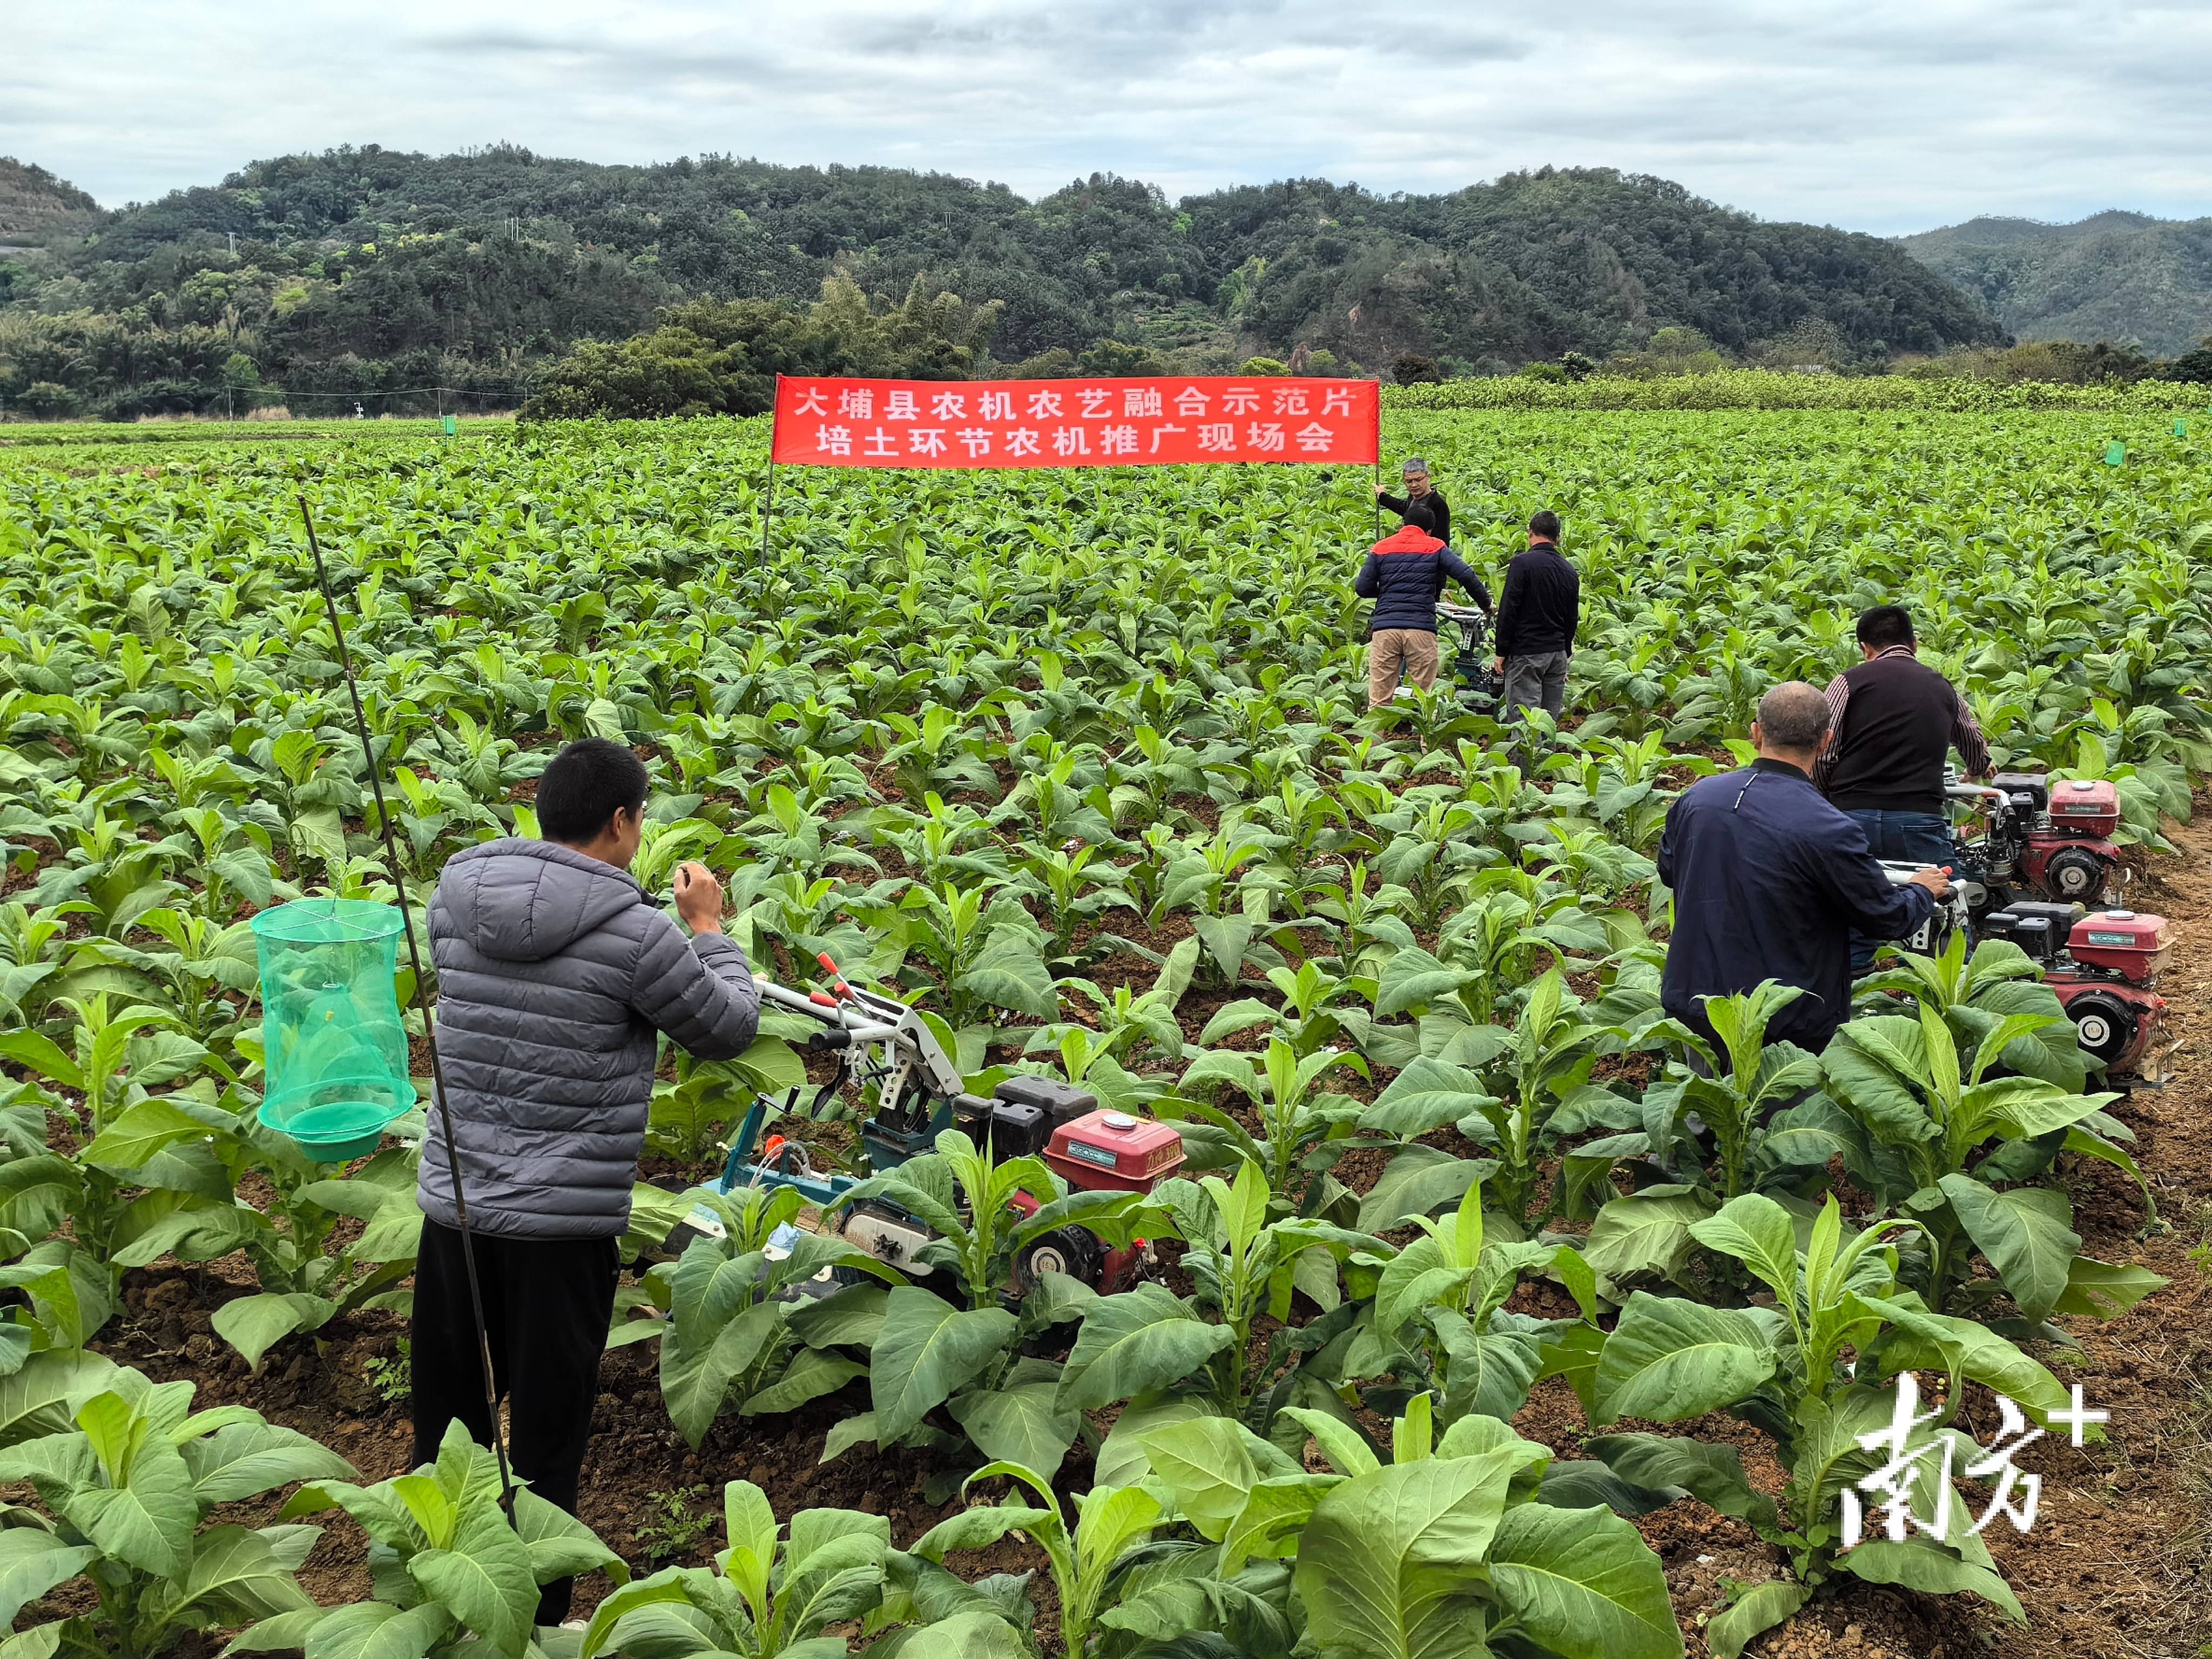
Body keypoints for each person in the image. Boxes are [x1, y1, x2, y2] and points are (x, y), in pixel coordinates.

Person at [412, 737, 759, 1627]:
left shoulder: (457, 897)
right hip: (561, 1229)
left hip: (453, 1205)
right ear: (620, 821)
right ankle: (533, 1620)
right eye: (640, 819)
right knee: (547, 1435)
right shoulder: (638, 933)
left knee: (447, 1418)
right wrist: (711, 930)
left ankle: (440, 1594)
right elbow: (725, 1028)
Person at [1657, 682, 1950, 1055]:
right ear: (1826, 742)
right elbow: (1885, 918)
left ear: (1756, 733)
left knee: (1709, 1104)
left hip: (1698, 1004)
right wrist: (1922, 890)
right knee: (1782, 1111)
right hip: (1785, 1021)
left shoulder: (1698, 799)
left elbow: (1670, 869)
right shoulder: (1829, 827)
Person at [1812, 605, 1990, 969]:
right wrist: (1978, 768)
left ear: (1865, 648)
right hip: (1917, 819)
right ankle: (1943, 995)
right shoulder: (1941, 686)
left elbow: (1823, 751)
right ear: (1915, 643)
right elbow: (1971, 739)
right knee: (1944, 901)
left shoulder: (1848, 682)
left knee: (1852, 908)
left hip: (1852, 818)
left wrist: (1831, 799)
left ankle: (1855, 995)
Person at [1353, 498, 1492, 712]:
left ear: (1403, 525)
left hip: (1386, 629)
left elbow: (1362, 587)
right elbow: (1465, 574)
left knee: (1380, 698)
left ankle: (1374, 743)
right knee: (1425, 696)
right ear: (1429, 530)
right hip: (1420, 628)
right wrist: (1486, 605)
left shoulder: (1381, 547)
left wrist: (1388, 590)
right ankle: (1426, 744)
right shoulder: (1434, 546)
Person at [1492, 509, 1580, 721]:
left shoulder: (1523, 563)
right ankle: (1546, 755)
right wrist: (1564, 652)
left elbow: (1509, 608)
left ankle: (1527, 756)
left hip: (1527, 653)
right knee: (1548, 720)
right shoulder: (1569, 571)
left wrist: (1501, 650)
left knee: (1525, 720)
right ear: (1558, 538)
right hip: (1557, 654)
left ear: (1530, 533)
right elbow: (1572, 619)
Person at [1374, 456, 1450, 545]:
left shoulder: (1438, 505)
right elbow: (1403, 508)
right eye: (1409, 481)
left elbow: (1441, 542)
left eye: (1418, 480)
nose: (1414, 485)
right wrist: (1382, 496)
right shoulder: (1413, 498)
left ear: (1429, 477)